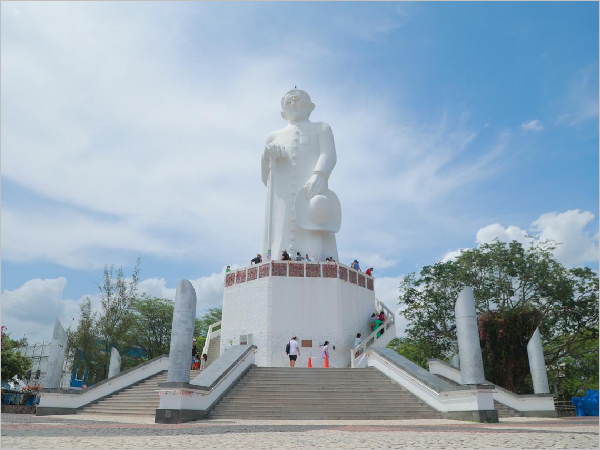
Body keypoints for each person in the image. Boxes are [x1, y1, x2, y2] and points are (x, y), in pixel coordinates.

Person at [260, 89, 340, 263]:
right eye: (288, 102)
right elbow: (265, 176)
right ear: (283, 112)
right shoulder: (273, 136)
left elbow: (329, 154)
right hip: (281, 193)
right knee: (279, 228)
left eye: (297, 100)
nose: (293, 104)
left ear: (311, 107)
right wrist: (267, 156)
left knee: (314, 230)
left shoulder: (321, 128)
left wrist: (319, 174)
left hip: (310, 188)